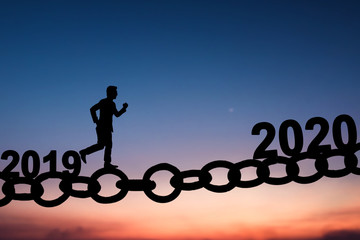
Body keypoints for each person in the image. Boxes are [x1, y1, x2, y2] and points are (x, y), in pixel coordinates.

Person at [79, 86, 128, 168]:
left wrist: (124, 108)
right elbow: (92, 109)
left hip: (107, 128)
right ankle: (106, 163)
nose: (117, 94)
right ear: (111, 93)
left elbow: (117, 114)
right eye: (115, 92)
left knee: (103, 145)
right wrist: (96, 121)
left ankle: (86, 153)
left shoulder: (112, 104)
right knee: (106, 145)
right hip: (102, 127)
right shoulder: (104, 102)